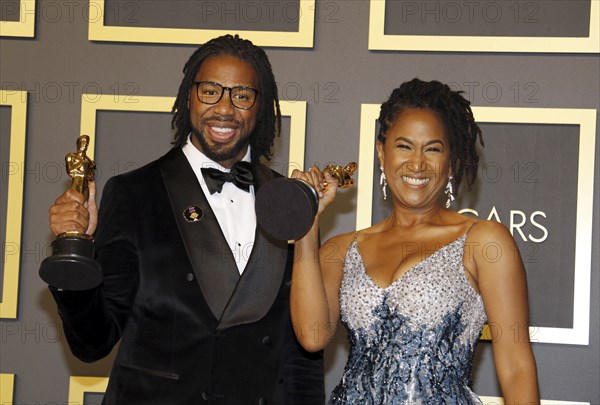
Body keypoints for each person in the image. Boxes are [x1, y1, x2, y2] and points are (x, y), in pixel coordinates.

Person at [47, 34, 324, 404]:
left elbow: (301, 360)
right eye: (210, 90)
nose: (224, 109)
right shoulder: (134, 194)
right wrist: (74, 251)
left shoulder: (288, 199)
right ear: (188, 97)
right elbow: (93, 342)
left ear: (261, 107)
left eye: (241, 95)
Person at [290, 79, 539, 404]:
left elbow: (517, 368)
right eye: (404, 146)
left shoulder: (484, 242)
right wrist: (306, 226)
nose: (417, 163)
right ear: (382, 151)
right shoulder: (340, 249)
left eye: (433, 148)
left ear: (450, 159)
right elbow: (312, 337)